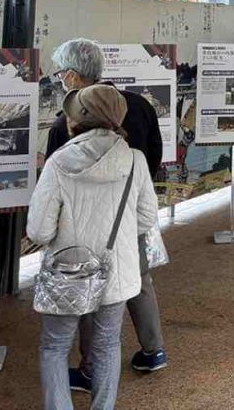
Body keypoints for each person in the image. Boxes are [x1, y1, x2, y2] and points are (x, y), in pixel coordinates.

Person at [45, 39, 168, 389]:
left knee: (89, 290)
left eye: (59, 74)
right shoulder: (139, 105)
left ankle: (89, 368)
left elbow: (52, 183)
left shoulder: (65, 124)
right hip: (129, 218)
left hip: (83, 228)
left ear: (72, 76)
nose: (59, 80)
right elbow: (154, 155)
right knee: (138, 279)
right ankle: (154, 350)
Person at [28, 85, 159, 410]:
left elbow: (39, 231)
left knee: (55, 346)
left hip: (68, 273)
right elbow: (146, 218)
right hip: (117, 272)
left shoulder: (58, 162)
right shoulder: (135, 160)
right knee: (107, 344)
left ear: (78, 120)